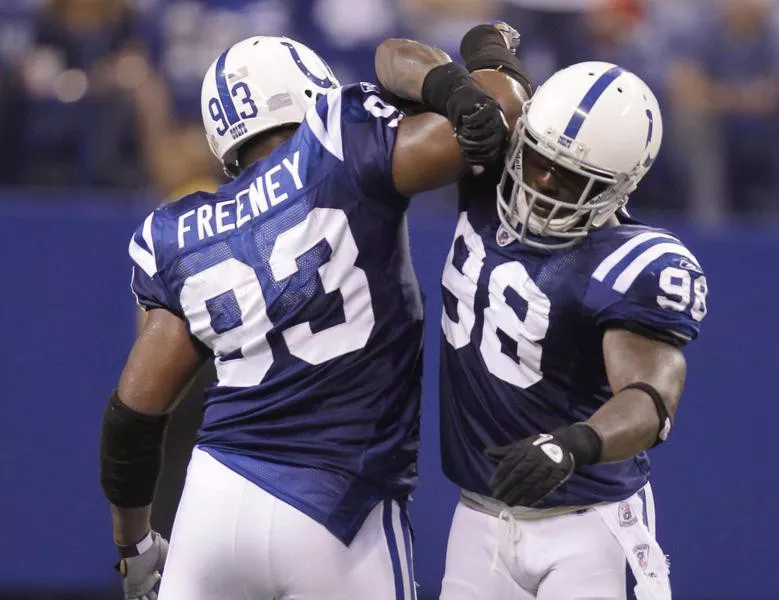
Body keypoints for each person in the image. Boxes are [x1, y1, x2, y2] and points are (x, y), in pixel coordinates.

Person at [99, 34, 526, 600]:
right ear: (308, 88)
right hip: (341, 508)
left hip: (213, 503)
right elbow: (499, 105)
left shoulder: (180, 229)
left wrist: (135, 547)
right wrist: (487, 59)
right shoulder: (337, 144)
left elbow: (132, 416)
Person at [378, 27, 708, 600]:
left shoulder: (632, 260)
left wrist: (572, 445)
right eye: (537, 157)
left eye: (573, 176)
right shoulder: (495, 159)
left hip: (590, 524)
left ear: (618, 187)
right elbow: (391, 57)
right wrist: (461, 89)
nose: (545, 180)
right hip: (479, 517)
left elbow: (651, 397)